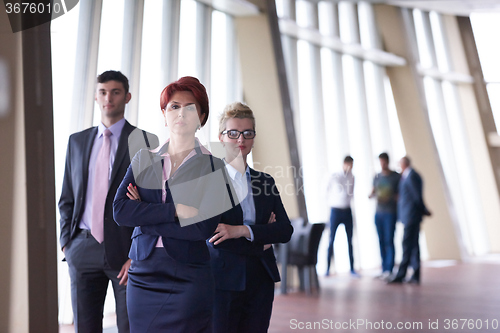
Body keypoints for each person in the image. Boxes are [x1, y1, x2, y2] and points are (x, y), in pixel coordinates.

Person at [113, 76, 229, 332]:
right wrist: (175, 210)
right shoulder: (144, 158)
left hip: (188, 275)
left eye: (190, 107)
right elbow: (121, 211)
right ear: (164, 114)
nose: (181, 113)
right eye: (174, 106)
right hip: (143, 272)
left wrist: (144, 217)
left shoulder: (213, 166)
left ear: (201, 116)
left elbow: (202, 228)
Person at [59, 70, 159, 333]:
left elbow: (152, 204)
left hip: (126, 253)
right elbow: (67, 197)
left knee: (130, 326)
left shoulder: (145, 142)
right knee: (86, 327)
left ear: (127, 97)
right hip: (81, 248)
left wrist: (136, 253)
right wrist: (66, 244)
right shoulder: (77, 141)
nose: (108, 98)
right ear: (95, 96)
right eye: (103, 92)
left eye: (115, 92)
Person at [207, 102, 293, 333]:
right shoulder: (209, 181)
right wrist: (263, 236)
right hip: (222, 279)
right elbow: (212, 234)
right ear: (221, 138)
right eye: (233, 133)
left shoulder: (264, 181)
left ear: (254, 138)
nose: (240, 139)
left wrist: (241, 231)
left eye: (247, 133)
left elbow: (285, 230)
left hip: (261, 278)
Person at [388, 156, 431, 284]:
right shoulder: (408, 175)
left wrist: (423, 209)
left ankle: (402, 274)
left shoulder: (411, 176)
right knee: (413, 245)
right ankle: (414, 274)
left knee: (407, 245)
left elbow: (416, 196)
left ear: (404, 164)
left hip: (411, 216)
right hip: (410, 215)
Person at [369, 152, 400, 280]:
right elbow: (372, 191)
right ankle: (384, 268)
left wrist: (390, 197)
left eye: (384, 162)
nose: (382, 164)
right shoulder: (376, 177)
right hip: (379, 212)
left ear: (388, 161)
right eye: (380, 162)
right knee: (381, 240)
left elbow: (400, 195)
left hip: (390, 212)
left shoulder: (396, 177)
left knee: (389, 240)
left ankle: (390, 268)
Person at [325, 156, 358, 277]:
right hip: (335, 210)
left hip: (347, 210)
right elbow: (326, 191)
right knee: (331, 239)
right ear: (345, 163)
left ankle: (352, 268)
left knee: (350, 240)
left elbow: (351, 193)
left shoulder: (352, 177)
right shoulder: (334, 176)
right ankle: (327, 268)